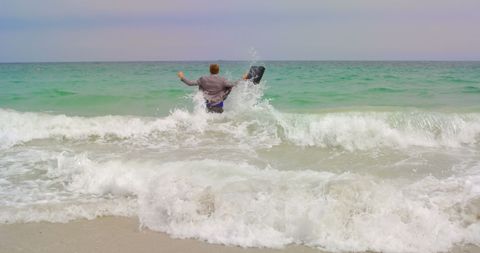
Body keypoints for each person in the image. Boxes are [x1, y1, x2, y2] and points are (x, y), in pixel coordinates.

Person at [177, 64, 246, 113]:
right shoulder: (223, 80)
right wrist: (243, 79)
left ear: (210, 70)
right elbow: (234, 84)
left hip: (208, 104)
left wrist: (182, 77)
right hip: (219, 105)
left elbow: (190, 83)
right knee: (229, 87)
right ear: (218, 71)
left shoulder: (203, 79)